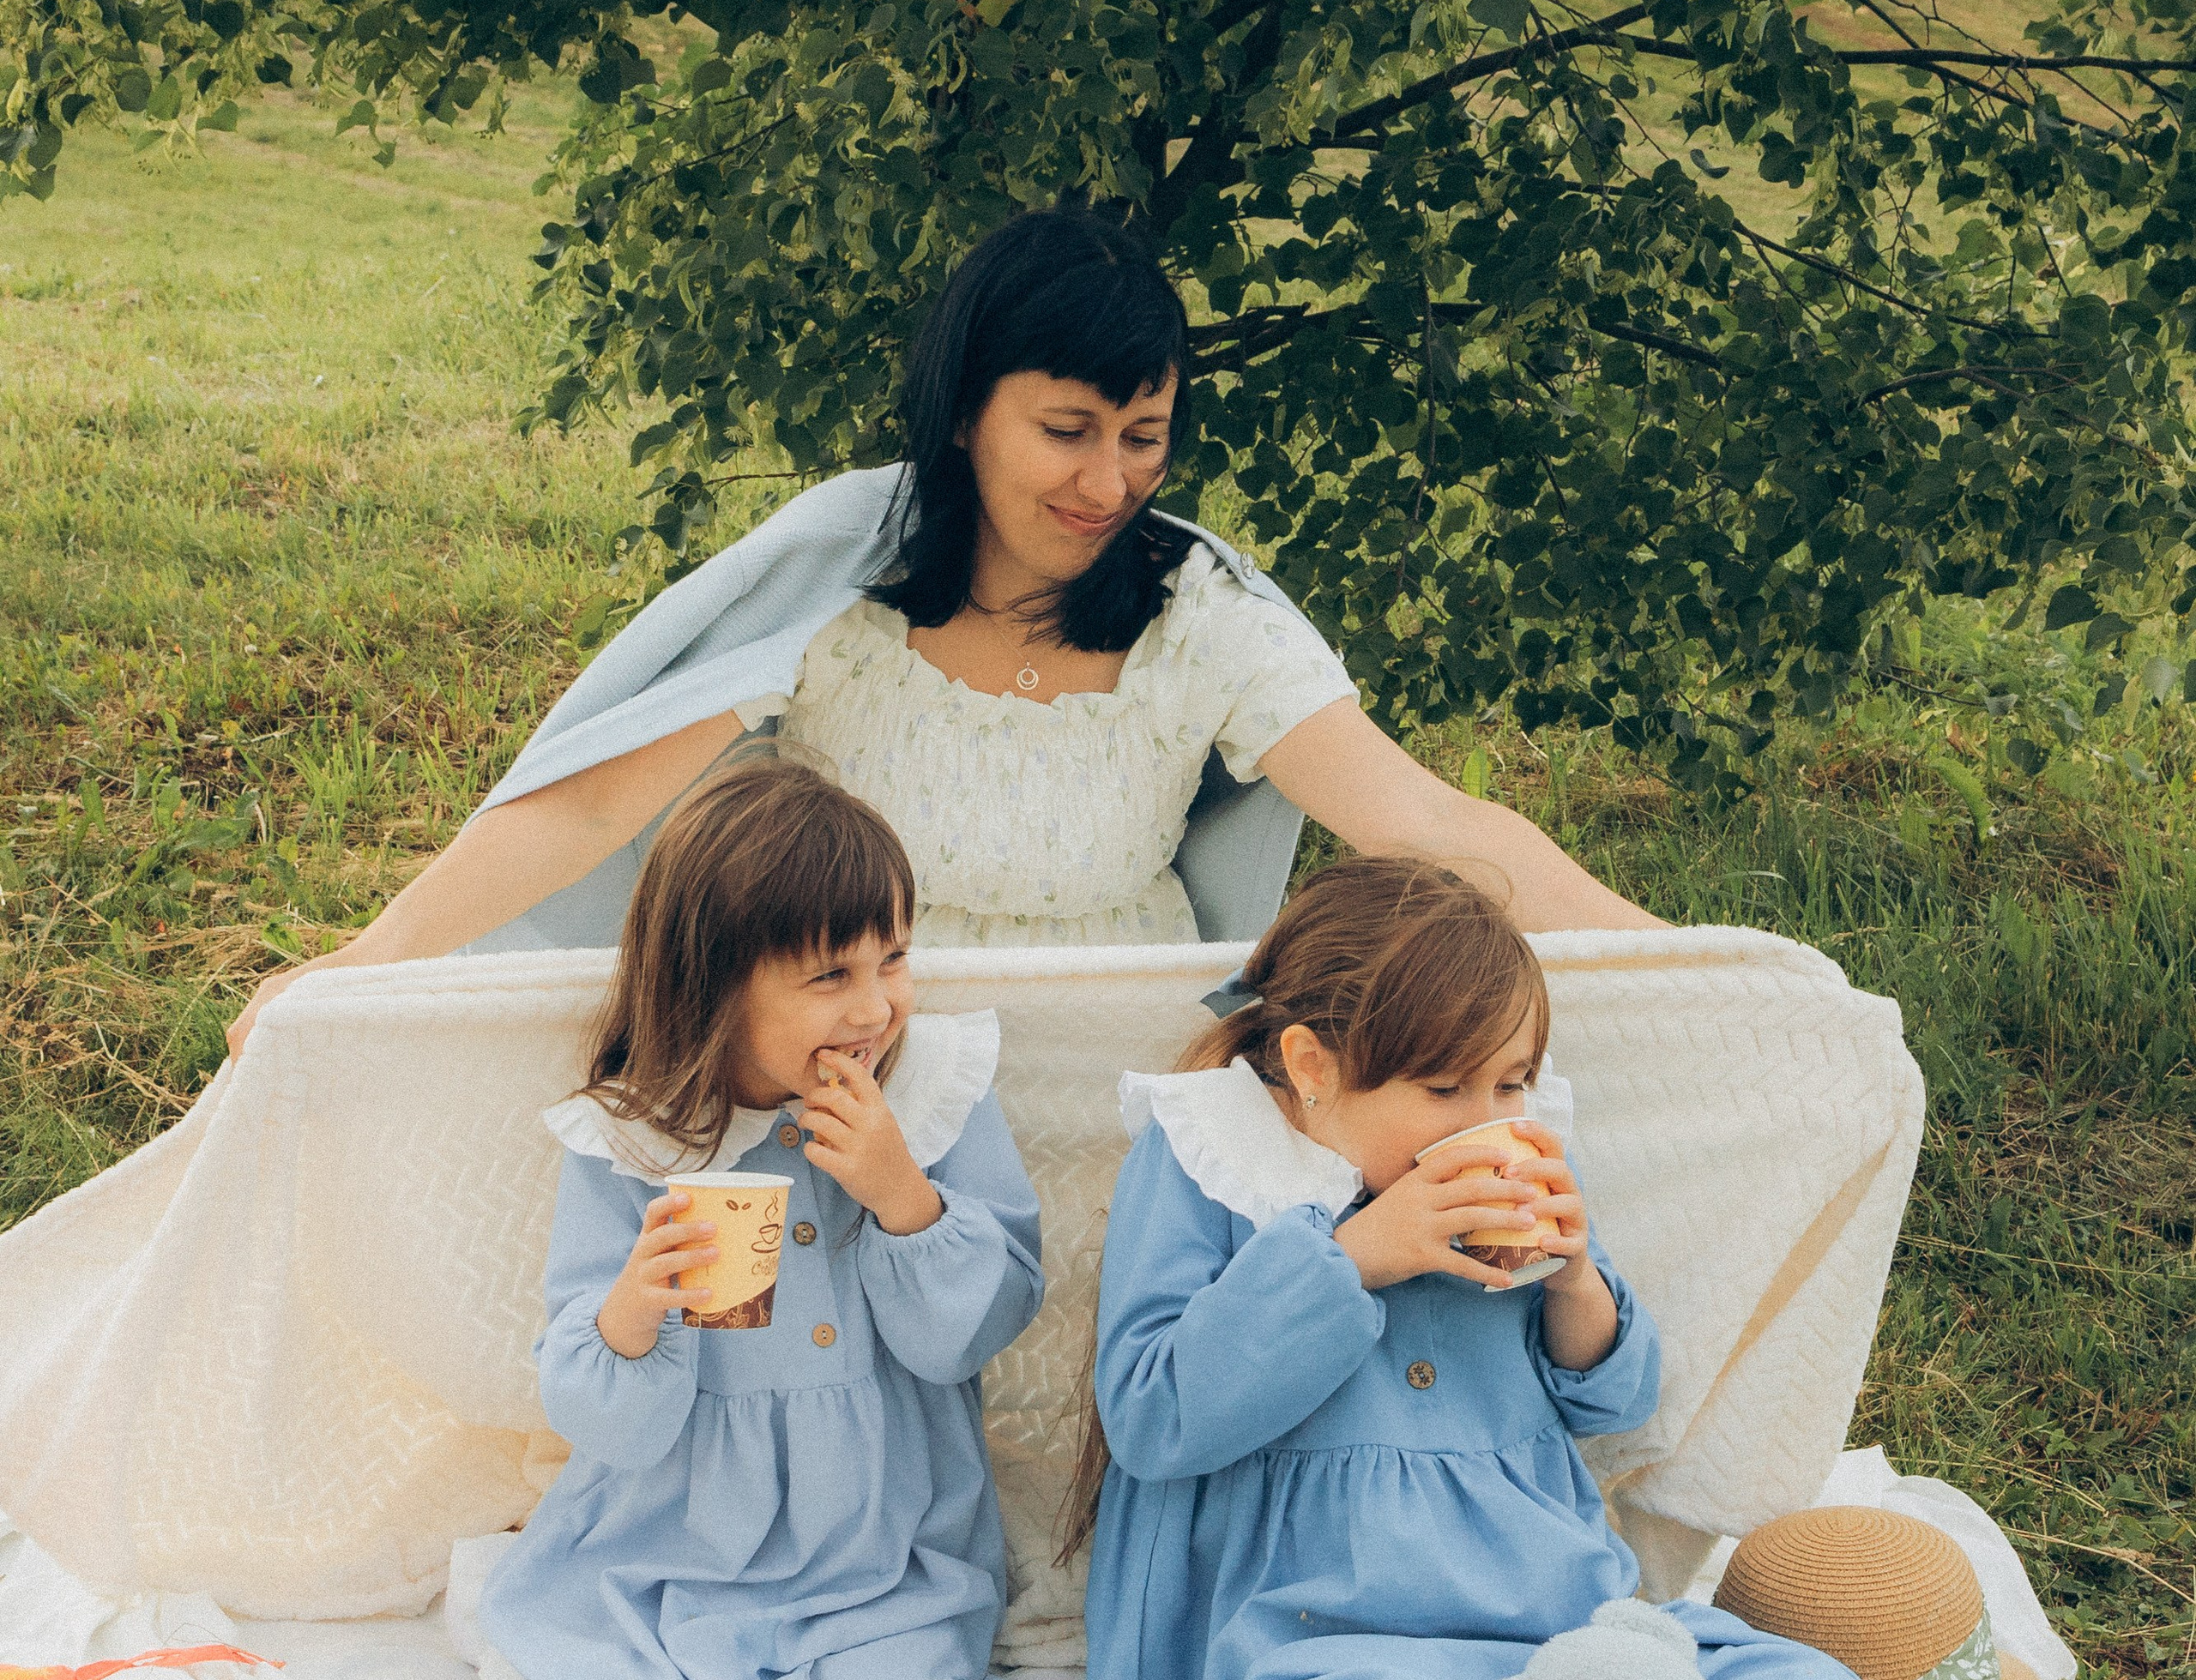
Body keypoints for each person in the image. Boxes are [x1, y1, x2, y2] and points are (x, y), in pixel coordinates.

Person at [226, 207, 1656, 1055]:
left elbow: (1417, 813)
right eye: (1067, 431)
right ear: (969, 406)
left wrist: (1670, 954)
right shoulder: (840, 588)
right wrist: (371, 957)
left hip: (1124, 1079)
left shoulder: (1194, 615)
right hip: (852, 1066)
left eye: (1144, 437)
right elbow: (599, 797)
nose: (1109, 482)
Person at [1077, 859, 1970, 1680]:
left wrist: (1573, 1277)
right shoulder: (1205, 1155)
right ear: (1309, 1064)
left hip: (1561, 1618)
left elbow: (1614, 1403)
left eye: (1508, 1080)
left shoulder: (1522, 1160)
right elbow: (1151, 1413)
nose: (1486, 1115)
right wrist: (1358, 1253)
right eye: (1443, 1087)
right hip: (1325, 1638)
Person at [466, 750, 1043, 1680]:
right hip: (680, 1537)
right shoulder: (633, 1140)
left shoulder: (932, 1097)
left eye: (896, 959)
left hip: (885, 1544)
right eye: (830, 976)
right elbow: (607, 1422)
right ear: (716, 982)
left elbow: (968, 1335)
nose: (876, 1006)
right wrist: (637, 1307)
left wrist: (899, 1193)